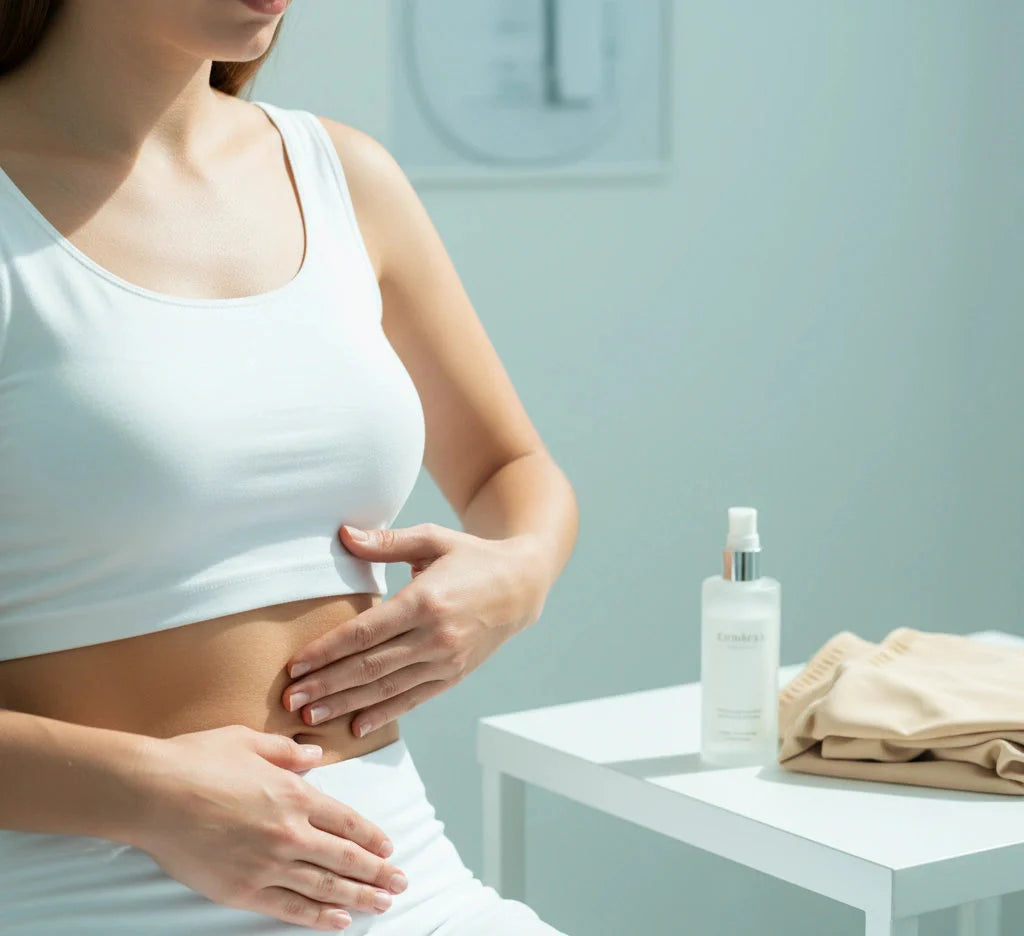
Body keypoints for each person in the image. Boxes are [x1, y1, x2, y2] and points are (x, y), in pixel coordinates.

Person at [0, 0, 579, 933]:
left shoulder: (343, 175)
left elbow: (514, 467)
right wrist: (146, 793)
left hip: (404, 885)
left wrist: (517, 576)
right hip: (88, 903)